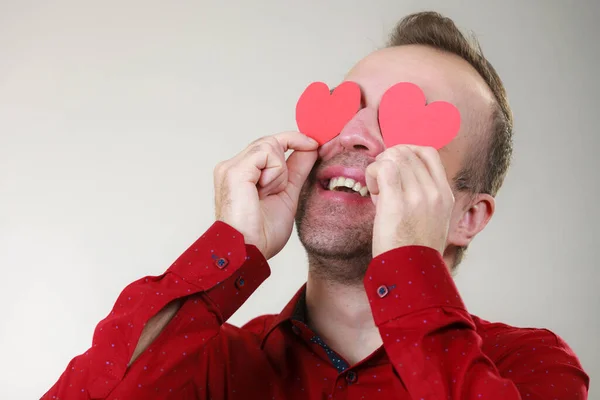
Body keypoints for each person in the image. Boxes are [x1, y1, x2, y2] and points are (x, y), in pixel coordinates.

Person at [42, 11, 589, 400]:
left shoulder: (528, 368)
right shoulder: (207, 360)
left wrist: (408, 270)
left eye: (405, 120)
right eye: (349, 105)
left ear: (468, 215)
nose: (352, 134)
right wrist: (231, 247)